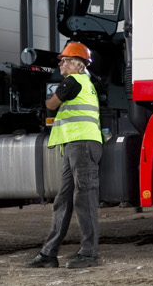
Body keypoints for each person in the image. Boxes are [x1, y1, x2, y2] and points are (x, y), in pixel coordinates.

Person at [28, 41, 104, 269]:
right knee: (64, 199)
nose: (61, 63)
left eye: (65, 60)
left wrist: (46, 99)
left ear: (77, 64)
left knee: (84, 199)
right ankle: (49, 253)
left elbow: (51, 104)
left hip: (82, 144)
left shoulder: (73, 82)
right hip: (75, 145)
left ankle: (89, 254)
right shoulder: (85, 82)